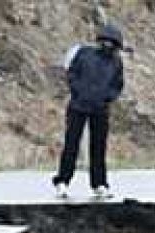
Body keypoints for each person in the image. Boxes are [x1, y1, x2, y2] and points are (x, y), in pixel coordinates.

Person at [53, 24, 126, 200]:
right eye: (106, 42)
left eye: (112, 43)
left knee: (99, 148)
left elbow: (118, 84)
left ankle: (99, 184)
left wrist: (107, 98)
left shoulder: (116, 62)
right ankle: (62, 181)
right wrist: (78, 92)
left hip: (100, 109)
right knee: (71, 144)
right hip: (78, 106)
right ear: (100, 41)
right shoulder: (84, 54)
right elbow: (72, 74)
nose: (108, 46)